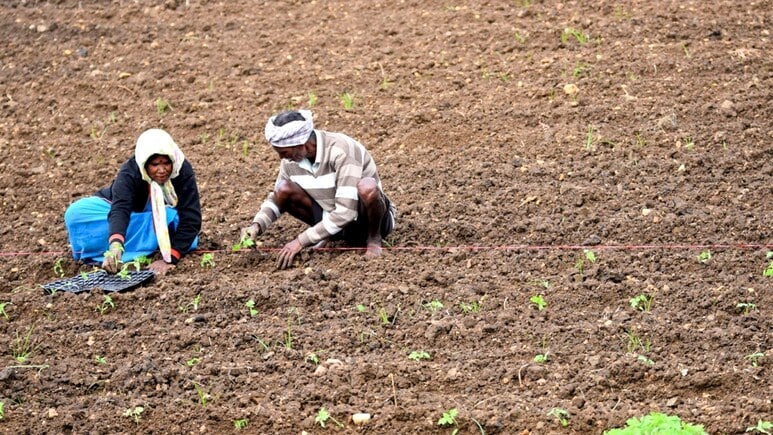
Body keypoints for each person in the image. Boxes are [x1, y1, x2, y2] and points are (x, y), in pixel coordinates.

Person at [241, 109, 396, 269]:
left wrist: (301, 241)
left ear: (301, 144)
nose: (281, 158)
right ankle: (329, 234)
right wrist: (256, 225)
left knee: (368, 187)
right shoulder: (290, 161)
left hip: (364, 219)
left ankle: (374, 239)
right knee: (283, 189)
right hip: (335, 222)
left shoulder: (341, 150)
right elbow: (276, 198)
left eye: (283, 152)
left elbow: (346, 212)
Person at [64, 128, 201, 275]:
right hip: (125, 212)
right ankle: (139, 244)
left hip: (159, 215)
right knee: (75, 213)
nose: (162, 170)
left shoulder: (181, 169)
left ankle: (150, 241)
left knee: (182, 230)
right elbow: (120, 209)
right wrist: (116, 245)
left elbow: (191, 217)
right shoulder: (130, 172)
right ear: (144, 164)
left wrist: (169, 259)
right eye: (155, 164)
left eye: (166, 163)